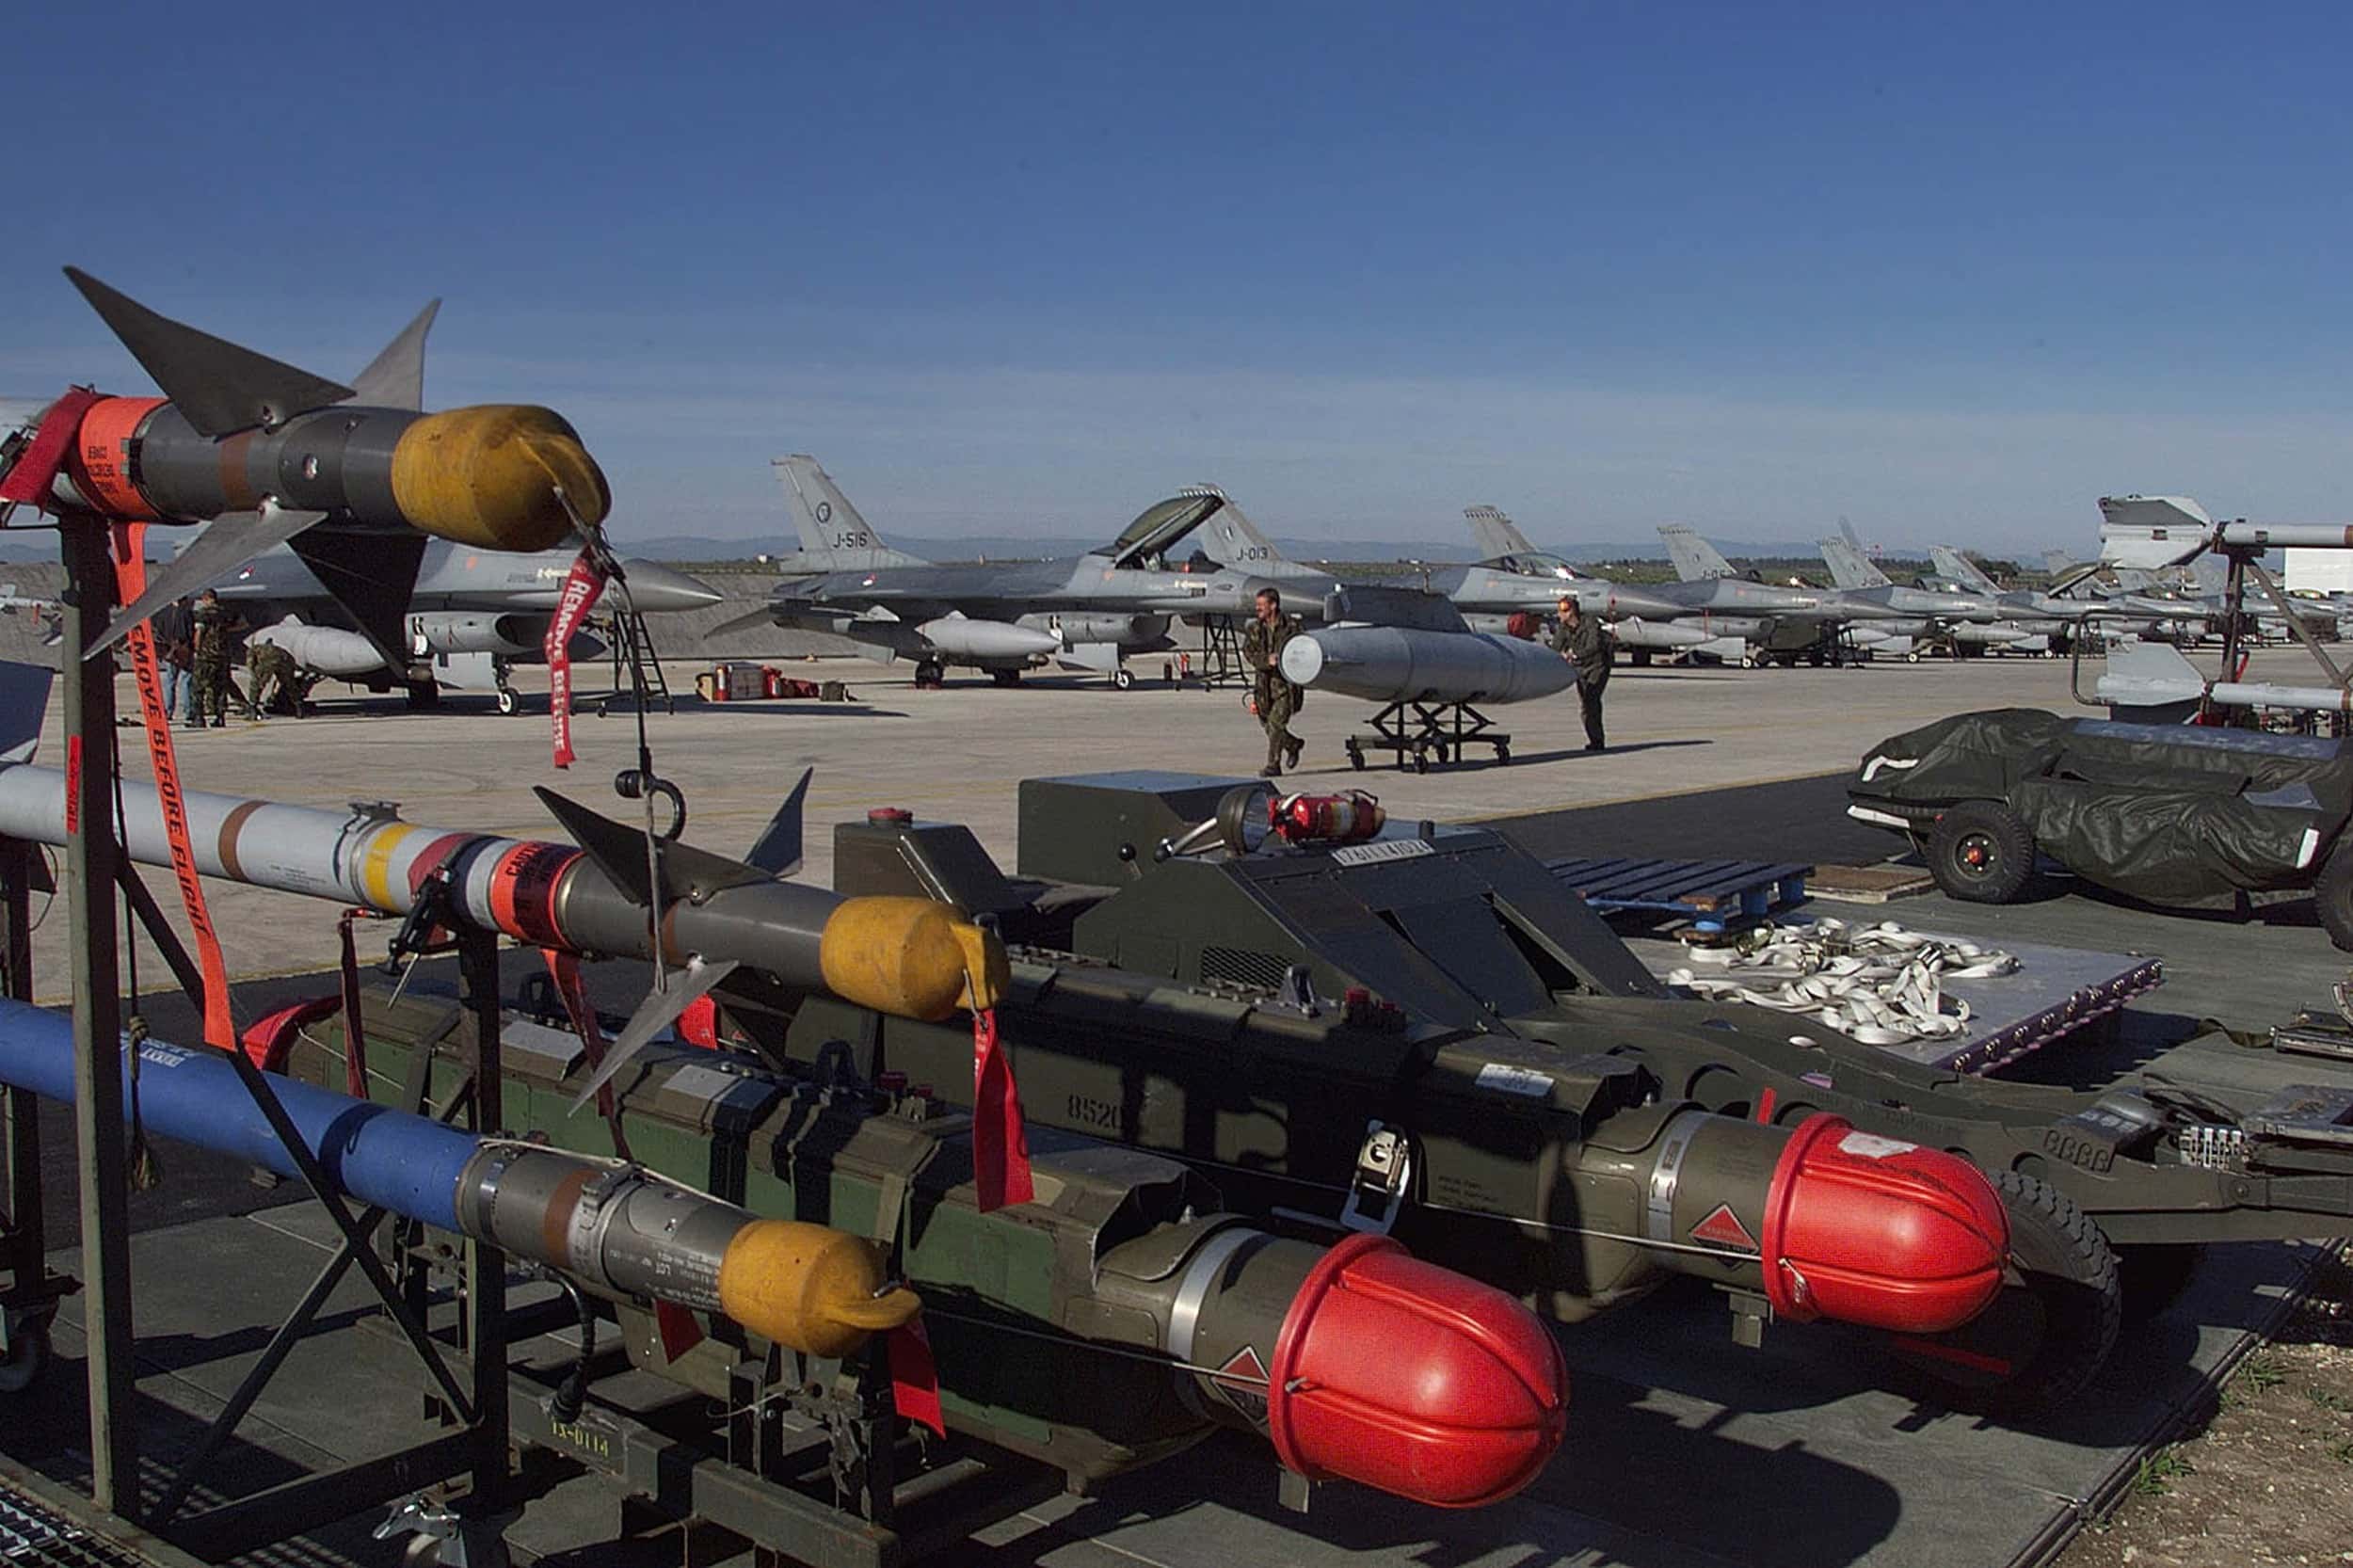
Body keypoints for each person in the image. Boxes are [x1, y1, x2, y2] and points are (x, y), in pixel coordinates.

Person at [1241, 587, 1305, 777]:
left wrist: (1287, 660)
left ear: (1273, 605)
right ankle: (1293, 745)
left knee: (1276, 724)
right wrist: (1265, 660)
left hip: (1285, 686)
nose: (1257, 608)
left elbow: (1302, 649)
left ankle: (1273, 765)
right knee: (1267, 725)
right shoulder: (1254, 628)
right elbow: (1248, 652)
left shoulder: (1292, 627)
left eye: (1262, 605)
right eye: (1257, 605)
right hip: (1263, 686)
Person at [1551, 594, 1613, 752]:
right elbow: (1556, 646)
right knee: (1586, 705)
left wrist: (1575, 654)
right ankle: (1595, 740)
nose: (1559, 614)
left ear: (1571, 611)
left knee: (1591, 701)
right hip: (1580, 669)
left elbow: (1594, 645)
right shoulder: (1564, 628)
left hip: (1598, 666)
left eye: (1563, 610)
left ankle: (1597, 741)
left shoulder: (1590, 623)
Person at [188, 589, 241, 729]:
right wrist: (224, 631)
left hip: (206, 656)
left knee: (198, 687)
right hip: (222, 656)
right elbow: (242, 623)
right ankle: (220, 717)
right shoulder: (224, 613)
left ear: (205, 599)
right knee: (220, 688)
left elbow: (199, 633)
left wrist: (197, 650)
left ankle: (199, 718)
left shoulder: (203, 614)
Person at [152, 598, 195, 722]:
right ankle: (188, 711)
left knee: (170, 681)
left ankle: (168, 711)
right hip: (184, 650)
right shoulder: (187, 613)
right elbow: (190, 632)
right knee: (186, 680)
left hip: (169, 651)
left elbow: (158, 633)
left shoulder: (164, 613)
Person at [246, 638, 302, 719]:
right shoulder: (279, 649)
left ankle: (253, 710)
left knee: (256, 685)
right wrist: (290, 675)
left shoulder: (254, 649)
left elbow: (250, 662)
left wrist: (254, 674)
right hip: (283, 661)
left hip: (267, 663)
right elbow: (291, 661)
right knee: (290, 685)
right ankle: (299, 707)